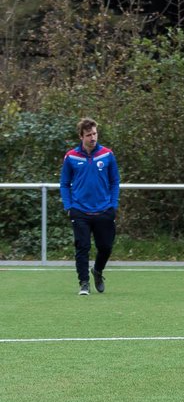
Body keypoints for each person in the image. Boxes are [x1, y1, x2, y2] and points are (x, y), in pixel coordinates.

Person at [60, 117, 120, 295]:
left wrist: (113, 205)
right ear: (81, 136)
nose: (93, 138)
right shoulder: (71, 156)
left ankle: (98, 271)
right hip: (79, 211)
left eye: (94, 133)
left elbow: (115, 181)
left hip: (104, 210)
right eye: (88, 135)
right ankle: (84, 283)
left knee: (106, 247)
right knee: (82, 247)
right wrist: (69, 206)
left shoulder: (107, 154)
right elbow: (64, 183)